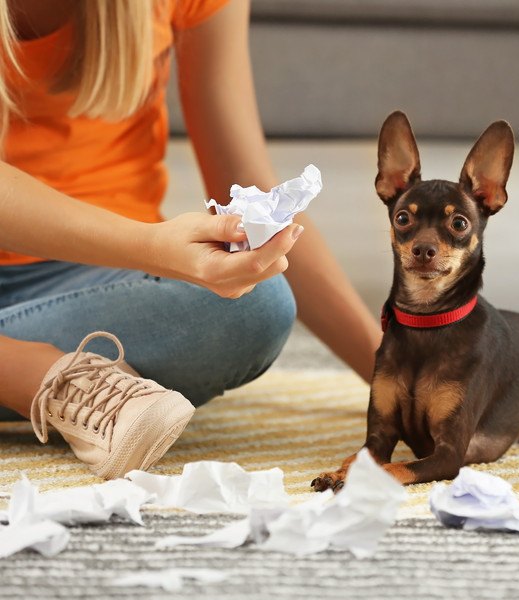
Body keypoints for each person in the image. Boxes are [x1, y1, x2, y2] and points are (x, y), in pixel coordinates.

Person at [0, 0, 382, 478]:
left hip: (91, 278)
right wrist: (149, 246)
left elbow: (243, 175)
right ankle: (29, 372)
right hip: (125, 250)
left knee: (253, 304)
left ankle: (58, 371)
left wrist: (399, 377)